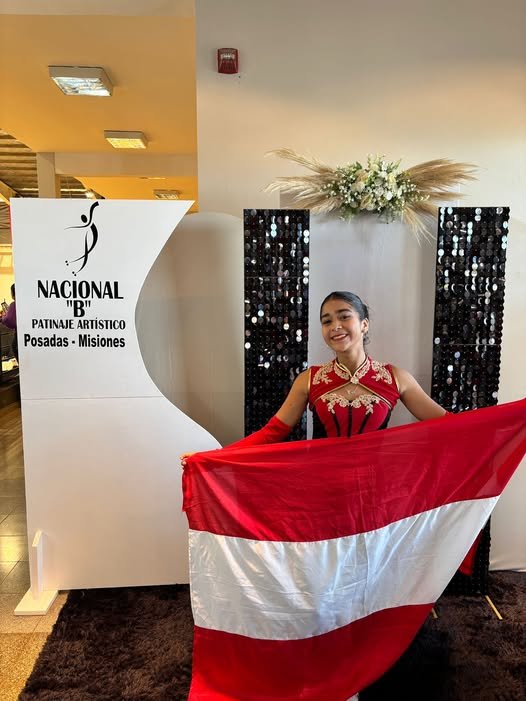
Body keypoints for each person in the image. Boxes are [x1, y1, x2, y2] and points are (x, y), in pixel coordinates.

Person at [228, 290, 446, 449]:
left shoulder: (395, 378)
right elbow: (273, 432)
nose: (335, 326)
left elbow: (447, 424)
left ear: (364, 324)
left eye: (344, 316)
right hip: (320, 487)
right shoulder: (309, 379)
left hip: (374, 489)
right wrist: (219, 455)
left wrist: (472, 429)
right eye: (327, 321)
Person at [0, 283, 18, 363]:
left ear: (13, 294)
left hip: (19, 335)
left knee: (15, 347)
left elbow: (9, 320)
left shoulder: (14, 304)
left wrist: (3, 318)